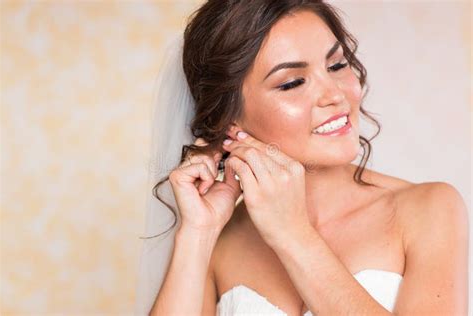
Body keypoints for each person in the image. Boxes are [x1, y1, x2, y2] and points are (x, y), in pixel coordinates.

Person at [135, 1, 469, 315]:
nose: (335, 94)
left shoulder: (429, 208)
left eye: (337, 65)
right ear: (229, 120)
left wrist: (293, 234)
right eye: (293, 82)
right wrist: (198, 233)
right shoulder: (218, 240)